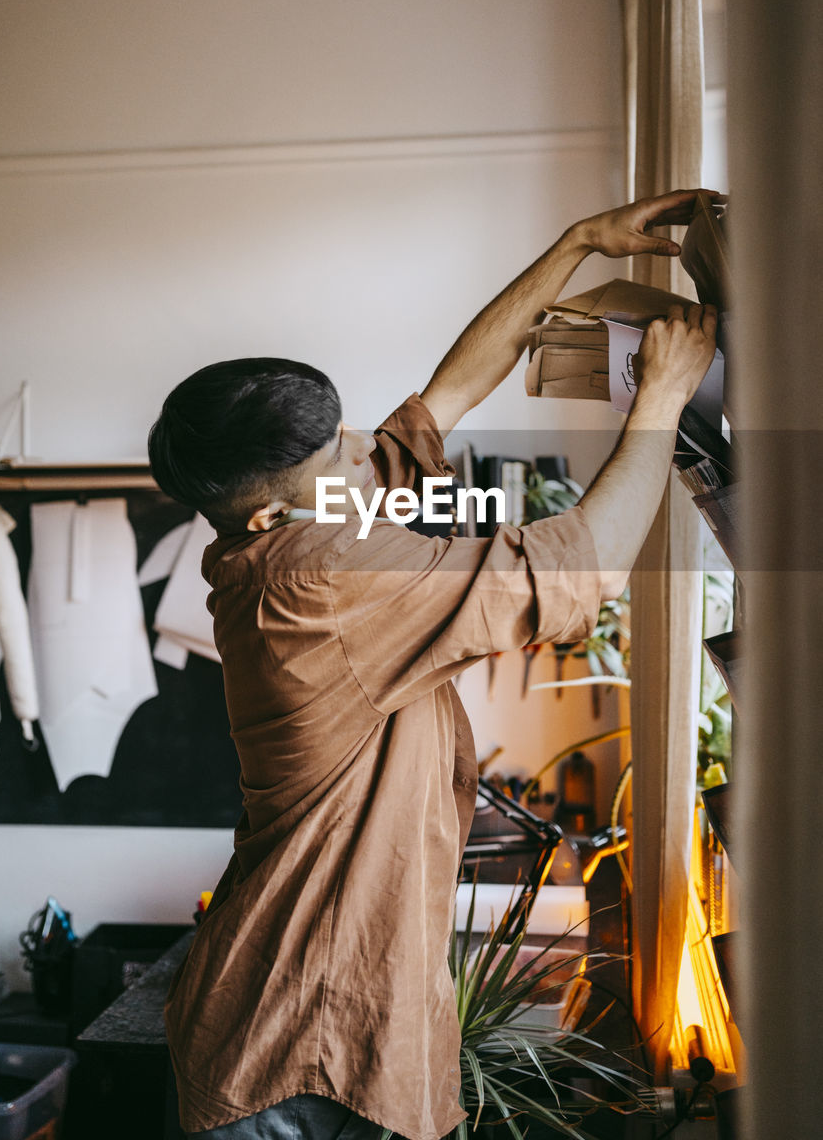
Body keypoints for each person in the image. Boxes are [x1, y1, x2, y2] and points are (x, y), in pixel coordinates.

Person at [148, 190, 719, 1140]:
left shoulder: (309, 513)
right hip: (291, 1051)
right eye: (337, 454)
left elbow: (440, 398)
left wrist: (577, 244)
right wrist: (658, 399)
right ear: (264, 514)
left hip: (319, 1029)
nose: (359, 457)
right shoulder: (315, 572)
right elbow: (576, 570)